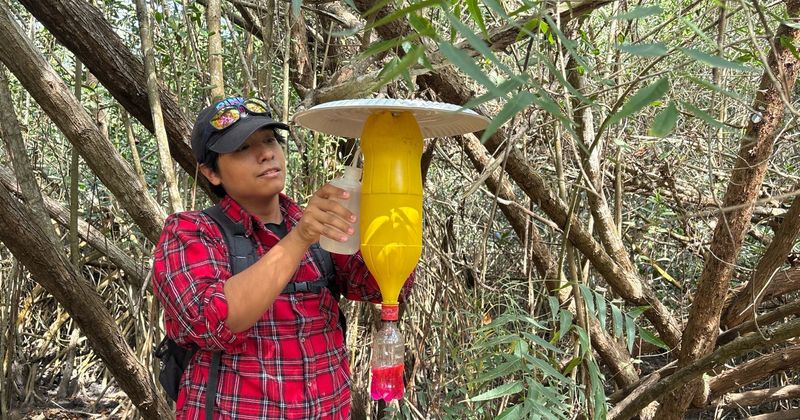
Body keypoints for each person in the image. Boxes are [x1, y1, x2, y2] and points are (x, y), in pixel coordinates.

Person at [152, 96, 414, 419]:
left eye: (269, 139)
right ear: (211, 172)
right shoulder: (190, 233)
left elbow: (380, 285)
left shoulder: (316, 228)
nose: (265, 154)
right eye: (242, 148)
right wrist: (300, 237)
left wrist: (388, 192)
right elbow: (214, 320)